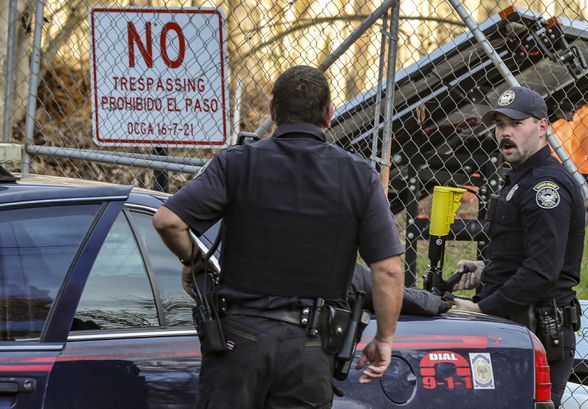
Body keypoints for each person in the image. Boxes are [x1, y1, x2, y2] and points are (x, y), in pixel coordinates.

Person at [152, 65, 404, 409]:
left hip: (238, 340)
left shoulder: (235, 163)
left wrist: (192, 261)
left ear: (272, 112)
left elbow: (167, 221)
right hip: (310, 348)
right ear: (329, 115)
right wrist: (384, 338)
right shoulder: (360, 177)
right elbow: (388, 270)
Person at [452, 86, 585, 406]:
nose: (505, 133)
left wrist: (481, 309)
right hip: (515, 328)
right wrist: (487, 270)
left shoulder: (545, 187)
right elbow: (527, 255)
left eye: (516, 124)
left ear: (542, 127)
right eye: (500, 125)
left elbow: (541, 272)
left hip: (537, 332)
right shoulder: (522, 180)